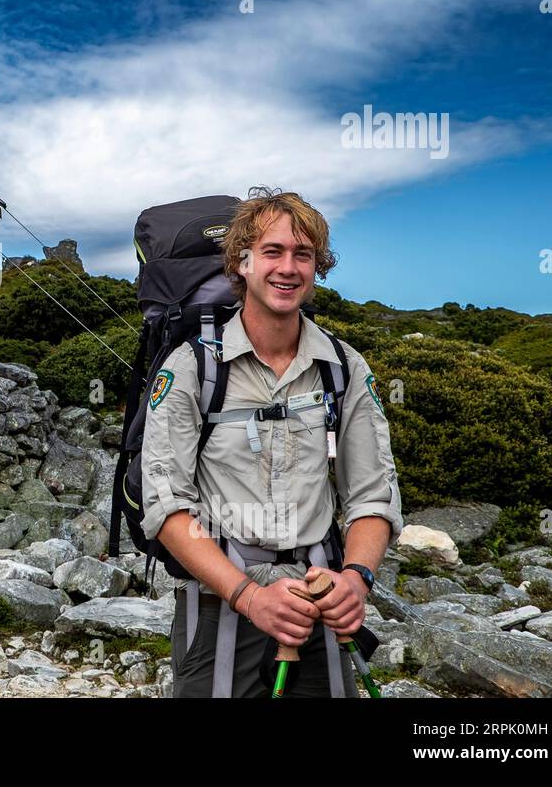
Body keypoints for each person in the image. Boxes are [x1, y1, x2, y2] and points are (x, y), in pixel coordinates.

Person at [140, 187, 403, 697]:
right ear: (241, 263)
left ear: (318, 267)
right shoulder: (193, 367)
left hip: (319, 596)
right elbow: (167, 505)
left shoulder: (343, 369)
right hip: (219, 601)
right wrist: (247, 596)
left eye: (303, 254)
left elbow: (372, 494)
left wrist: (356, 580)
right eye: (272, 252)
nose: (288, 268)